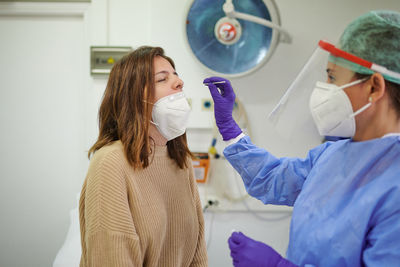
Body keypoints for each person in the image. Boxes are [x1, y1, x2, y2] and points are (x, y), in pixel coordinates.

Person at [203, 10, 400, 267]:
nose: (324, 88)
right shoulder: (333, 154)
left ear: (374, 87)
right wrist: (230, 130)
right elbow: (272, 178)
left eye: (332, 77)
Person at [79, 46, 208, 267]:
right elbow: (112, 257)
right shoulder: (110, 163)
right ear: (133, 98)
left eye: (176, 75)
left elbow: (198, 255)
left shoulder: (181, 161)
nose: (179, 83)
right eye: (162, 79)